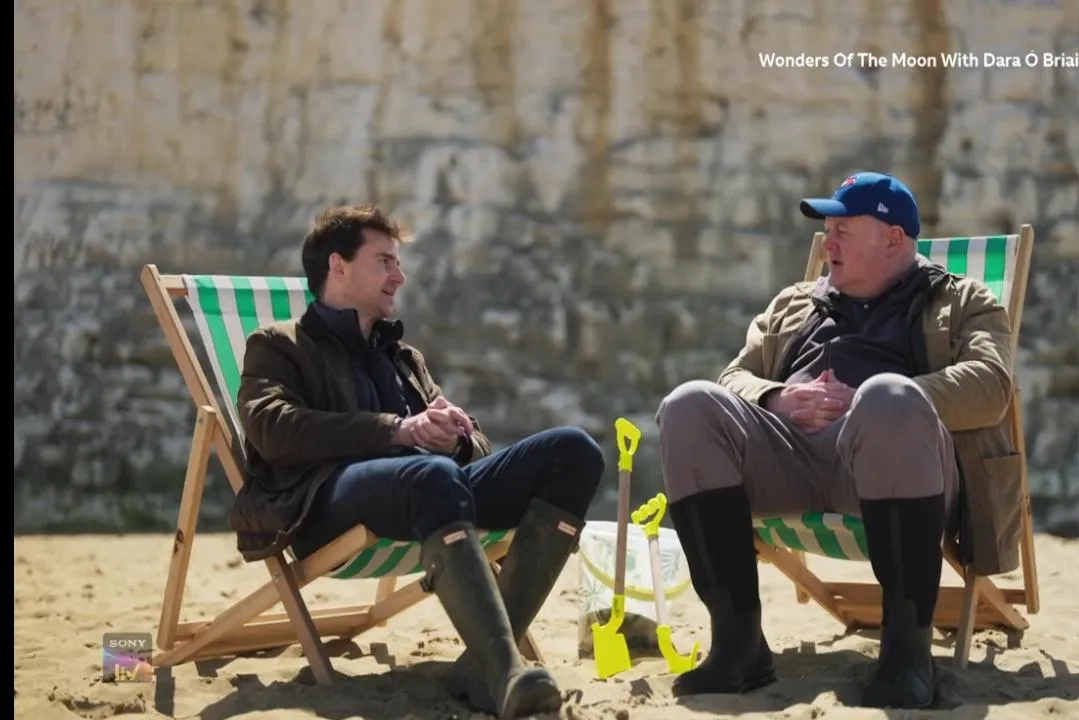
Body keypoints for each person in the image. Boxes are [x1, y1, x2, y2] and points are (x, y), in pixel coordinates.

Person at [654, 172, 1022, 709]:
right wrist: (777, 397)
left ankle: (906, 655)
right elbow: (734, 376)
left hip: (894, 462)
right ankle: (738, 645)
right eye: (828, 232)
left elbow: (992, 384)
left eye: (844, 230)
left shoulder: (962, 299)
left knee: (888, 398)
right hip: (787, 458)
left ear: (893, 239)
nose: (829, 244)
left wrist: (878, 399)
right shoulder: (794, 302)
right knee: (687, 405)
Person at [228, 204, 605, 719]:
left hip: (430, 493)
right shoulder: (279, 345)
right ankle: (505, 670)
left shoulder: (402, 356)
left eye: (398, 263)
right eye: (384, 261)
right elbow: (271, 430)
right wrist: (395, 429)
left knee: (574, 451)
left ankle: (481, 668)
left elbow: (475, 451)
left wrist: (455, 440)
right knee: (432, 474)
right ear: (338, 266)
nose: (399, 276)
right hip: (323, 502)